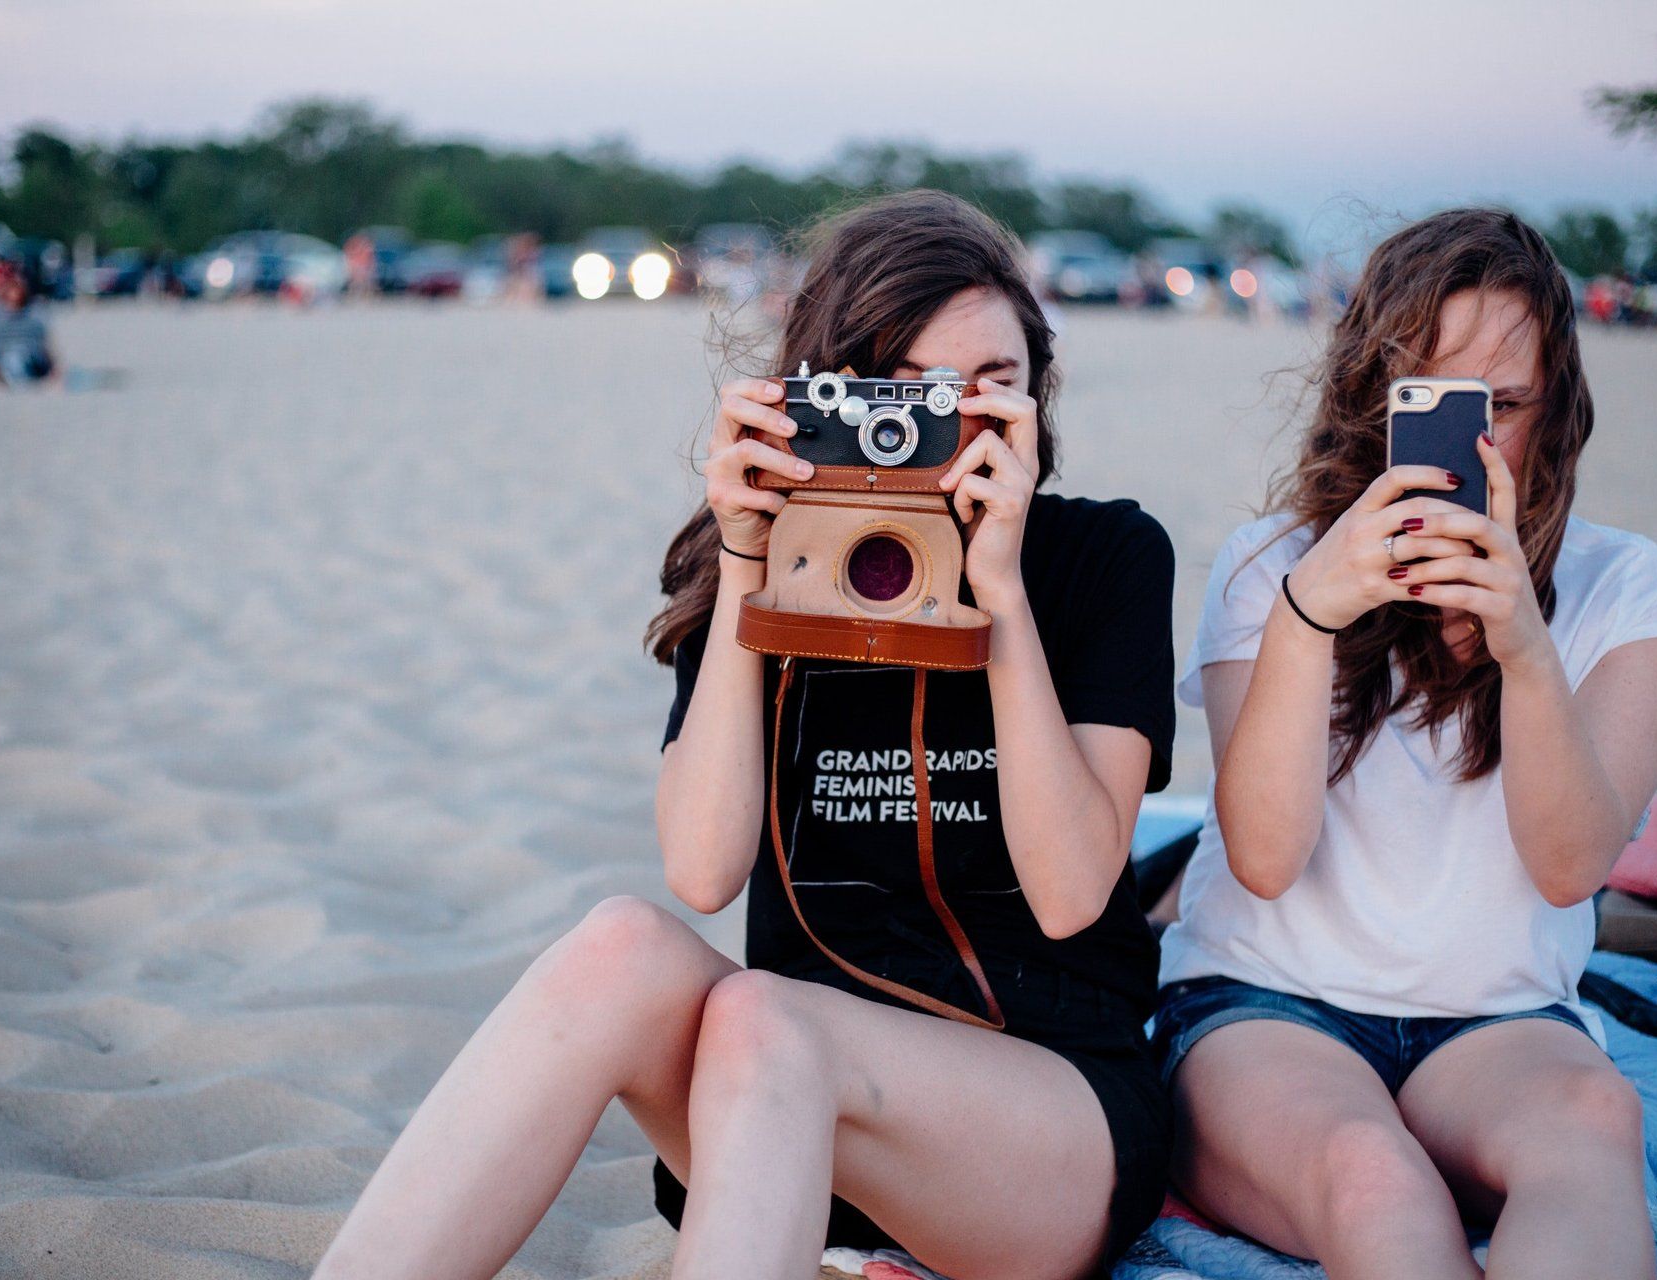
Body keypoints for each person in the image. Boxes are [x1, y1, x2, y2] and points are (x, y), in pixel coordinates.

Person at [314, 189, 1177, 1280]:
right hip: (778, 1102)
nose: (951, 426)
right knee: (621, 944)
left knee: (769, 1017)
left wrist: (996, 595)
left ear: (1039, 395)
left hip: (1038, 1127)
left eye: (991, 389)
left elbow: (1069, 890)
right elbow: (703, 866)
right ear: (826, 398)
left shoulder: (1101, 557)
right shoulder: (761, 562)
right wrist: (744, 564)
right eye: (904, 394)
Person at [1154, 208, 1657, 1280]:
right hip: (1263, 1003)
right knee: (1371, 1171)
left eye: (1500, 406)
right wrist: (1313, 616)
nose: (1472, 446)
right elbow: (1262, 856)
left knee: (1593, 1118)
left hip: (1496, 1019)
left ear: (1559, 413)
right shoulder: (1275, 565)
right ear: (1370, 405)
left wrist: (1524, 648)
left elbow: (1569, 865)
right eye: (1434, 407)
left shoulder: (1629, 588)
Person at [0, 272, 60, 385]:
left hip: (30, 359)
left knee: (16, 359)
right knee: (10, 360)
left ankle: (14, 379)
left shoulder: (34, 315)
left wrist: (55, 367)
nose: (14, 295)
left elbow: (45, 345)